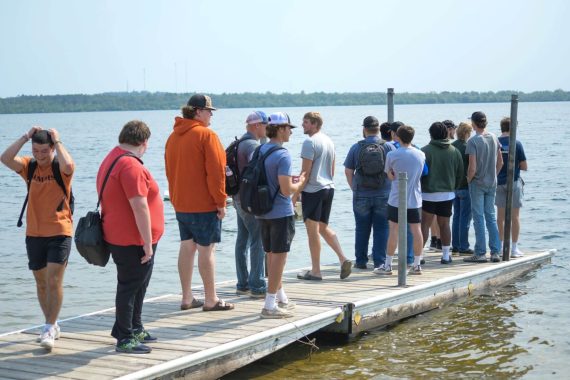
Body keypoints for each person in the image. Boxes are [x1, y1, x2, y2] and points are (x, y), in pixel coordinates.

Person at [1, 127, 74, 352]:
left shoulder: (59, 168)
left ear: (52, 149)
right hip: (34, 233)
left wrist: (58, 140)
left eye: (44, 151)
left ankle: (49, 326)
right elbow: (4, 158)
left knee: (53, 281)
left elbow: (69, 166)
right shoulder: (29, 166)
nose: (40, 156)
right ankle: (50, 323)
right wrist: (24, 137)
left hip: (60, 231)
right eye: (36, 151)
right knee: (41, 282)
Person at [97, 120, 164, 354]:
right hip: (132, 239)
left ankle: (134, 326)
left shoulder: (113, 157)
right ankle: (124, 337)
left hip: (121, 234)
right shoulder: (130, 166)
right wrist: (147, 243)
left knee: (138, 285)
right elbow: (139, 206)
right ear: (144, 142)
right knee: (129, 286)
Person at [165, 94, 234, 312]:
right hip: (204, 204)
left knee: (187, 247)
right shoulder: (206, 135)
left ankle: (187, 297)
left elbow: (169, 171)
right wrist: (221, 201)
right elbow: (216, 173)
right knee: (207, 249)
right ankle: (210, 299)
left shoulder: (173, 137)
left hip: (181, 203)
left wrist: (176, 197)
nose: (211, 115)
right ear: (197, 111)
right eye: (208, 111)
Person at [257, 112, 305, 318]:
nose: (291, 133)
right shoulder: (283, 154)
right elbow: (287, 190)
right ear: (281, 129)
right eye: (289, 128)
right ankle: (269, 305)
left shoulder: (260, 150)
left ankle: (281, 298)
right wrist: (300, 182)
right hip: (280, 211)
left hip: (263, 211)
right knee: (279, 257)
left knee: (271, 254)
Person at [295, 111, 351, 281]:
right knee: (322, 227)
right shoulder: (329, 141)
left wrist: (296, 193)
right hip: (329, 187)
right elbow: (332, 170)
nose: (302, 125)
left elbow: (305, 172)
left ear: (314, 124)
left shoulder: (309, 142)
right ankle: (343, 258)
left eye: (305, 122)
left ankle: (316, 271)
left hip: (314, 190)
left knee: (312, 232)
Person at [344, 116, 394, 270]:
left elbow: (348, 171)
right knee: (382, 228)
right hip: (384, 193)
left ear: (364, 129)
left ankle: (360, 261)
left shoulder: (356, 147)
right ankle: (379, 261)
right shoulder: (388, 147)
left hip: (361, 194)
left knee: (361, 228)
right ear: (378, 129)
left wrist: (354, 188)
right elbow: (394, 171)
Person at [376, 125, 425, 275]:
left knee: (393, 230)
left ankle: (388, 264)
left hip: (396, 199)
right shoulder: (421, 154)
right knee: (416, 230)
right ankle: (417, 264)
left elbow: (390, 176)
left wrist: (392, 174)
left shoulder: (392, 155)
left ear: (398, 136)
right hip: (415, 199)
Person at [234, 111, 269, 297]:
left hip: (237, 199)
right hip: (250, 201)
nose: (267, 128)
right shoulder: (253, 146)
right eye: (265, 124)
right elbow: (259, 173)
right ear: (256, 126)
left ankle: (242, 283)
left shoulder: (239, 143)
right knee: (259, 240)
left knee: (242, 240)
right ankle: (257, 286)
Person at [420, 122, 464, 264]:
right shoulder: (454, 151)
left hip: (427, 193)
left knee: (425, 225)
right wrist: (453, 187)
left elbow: (419, 174)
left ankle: (419, 256)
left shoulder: (424, 151)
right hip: (447, 194)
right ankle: (445, 255)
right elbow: (460, 174)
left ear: (431, 134)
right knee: (445, 225)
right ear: (446, 133)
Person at [464, 111, 503, 263]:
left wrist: (469, 179)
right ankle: (495, 252)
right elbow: (500, 162)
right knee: (491, 217)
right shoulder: (494, 137)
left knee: (478, 218)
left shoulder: (473, 141)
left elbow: (472, 167)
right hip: (491, 182)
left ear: (473, 124)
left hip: (477, 183)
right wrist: (493, 174)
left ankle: (480, 252)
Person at [495, 117, 527, 258]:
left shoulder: (495, 142)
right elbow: (524, 166)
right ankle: (514, 248)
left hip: (498, 182)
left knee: (500, 217)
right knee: (515, 216)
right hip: (513, 182)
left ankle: (501, 246)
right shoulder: (517, 143)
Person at [451, 122, 474, 255]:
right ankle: (464, 246)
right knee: (465, 217)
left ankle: (455, 245)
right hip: (466, 185)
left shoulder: (452, 147)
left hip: (454, 186)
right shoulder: (467, 147)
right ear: (466, 133)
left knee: (456, 216)